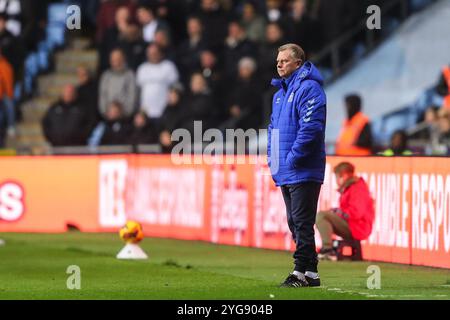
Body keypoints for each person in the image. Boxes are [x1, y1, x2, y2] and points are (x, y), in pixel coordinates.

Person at [267, 43, 327, 287]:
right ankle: (311, 273)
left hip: (304, 168)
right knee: (295, 222)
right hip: (287, 170)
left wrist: (291, 159)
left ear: (298, 63)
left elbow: (311, 128)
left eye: (284, 60)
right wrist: (275, 160)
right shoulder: (279, 95)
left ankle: (299, 270)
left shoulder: (310, 89)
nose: (279, 64)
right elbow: (273, 129)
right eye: (278, 60)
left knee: (302, 222)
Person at [316, 162, 375, 261]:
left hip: (358, 227)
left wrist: (338, 212)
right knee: (324, 216)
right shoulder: (352, 187)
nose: (337, 181)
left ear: (344, 175)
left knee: (322, 216)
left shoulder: (357, 188)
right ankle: (327, 249)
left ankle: (327, 249)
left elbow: (356, 213)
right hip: (355, 225)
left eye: (337, 177)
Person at [136, 43, 179, 119]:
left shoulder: (168, 66)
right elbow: (138, 90)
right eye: (150, 54)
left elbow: (176, 86)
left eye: (155, 53)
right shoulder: (142, 68)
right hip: (146, 112)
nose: (153, 55)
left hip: (164, 111)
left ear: (161, 53)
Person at [98, 48, 137, 118]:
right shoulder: (106, 75)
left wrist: (124, 112)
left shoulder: (130, 75)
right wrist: (105, 111)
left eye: (118, 58)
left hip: (125, 116)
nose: (116, 61)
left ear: (123, 59)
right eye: (113, 59)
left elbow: (132, 95)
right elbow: (103, 95)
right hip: (108, 115)